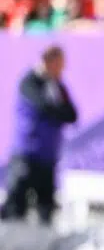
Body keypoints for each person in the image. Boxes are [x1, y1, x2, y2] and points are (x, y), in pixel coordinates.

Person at [1, 46, 77, 224]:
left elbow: (72, 114)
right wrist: (58, 110)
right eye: (58, 65)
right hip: (27, 153)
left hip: (48, 156)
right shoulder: (30, 82)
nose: (61, 70)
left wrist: (58, 107)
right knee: (16, 204)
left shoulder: (58, 87)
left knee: (46, 206)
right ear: (48, 62)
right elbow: (43, 106)